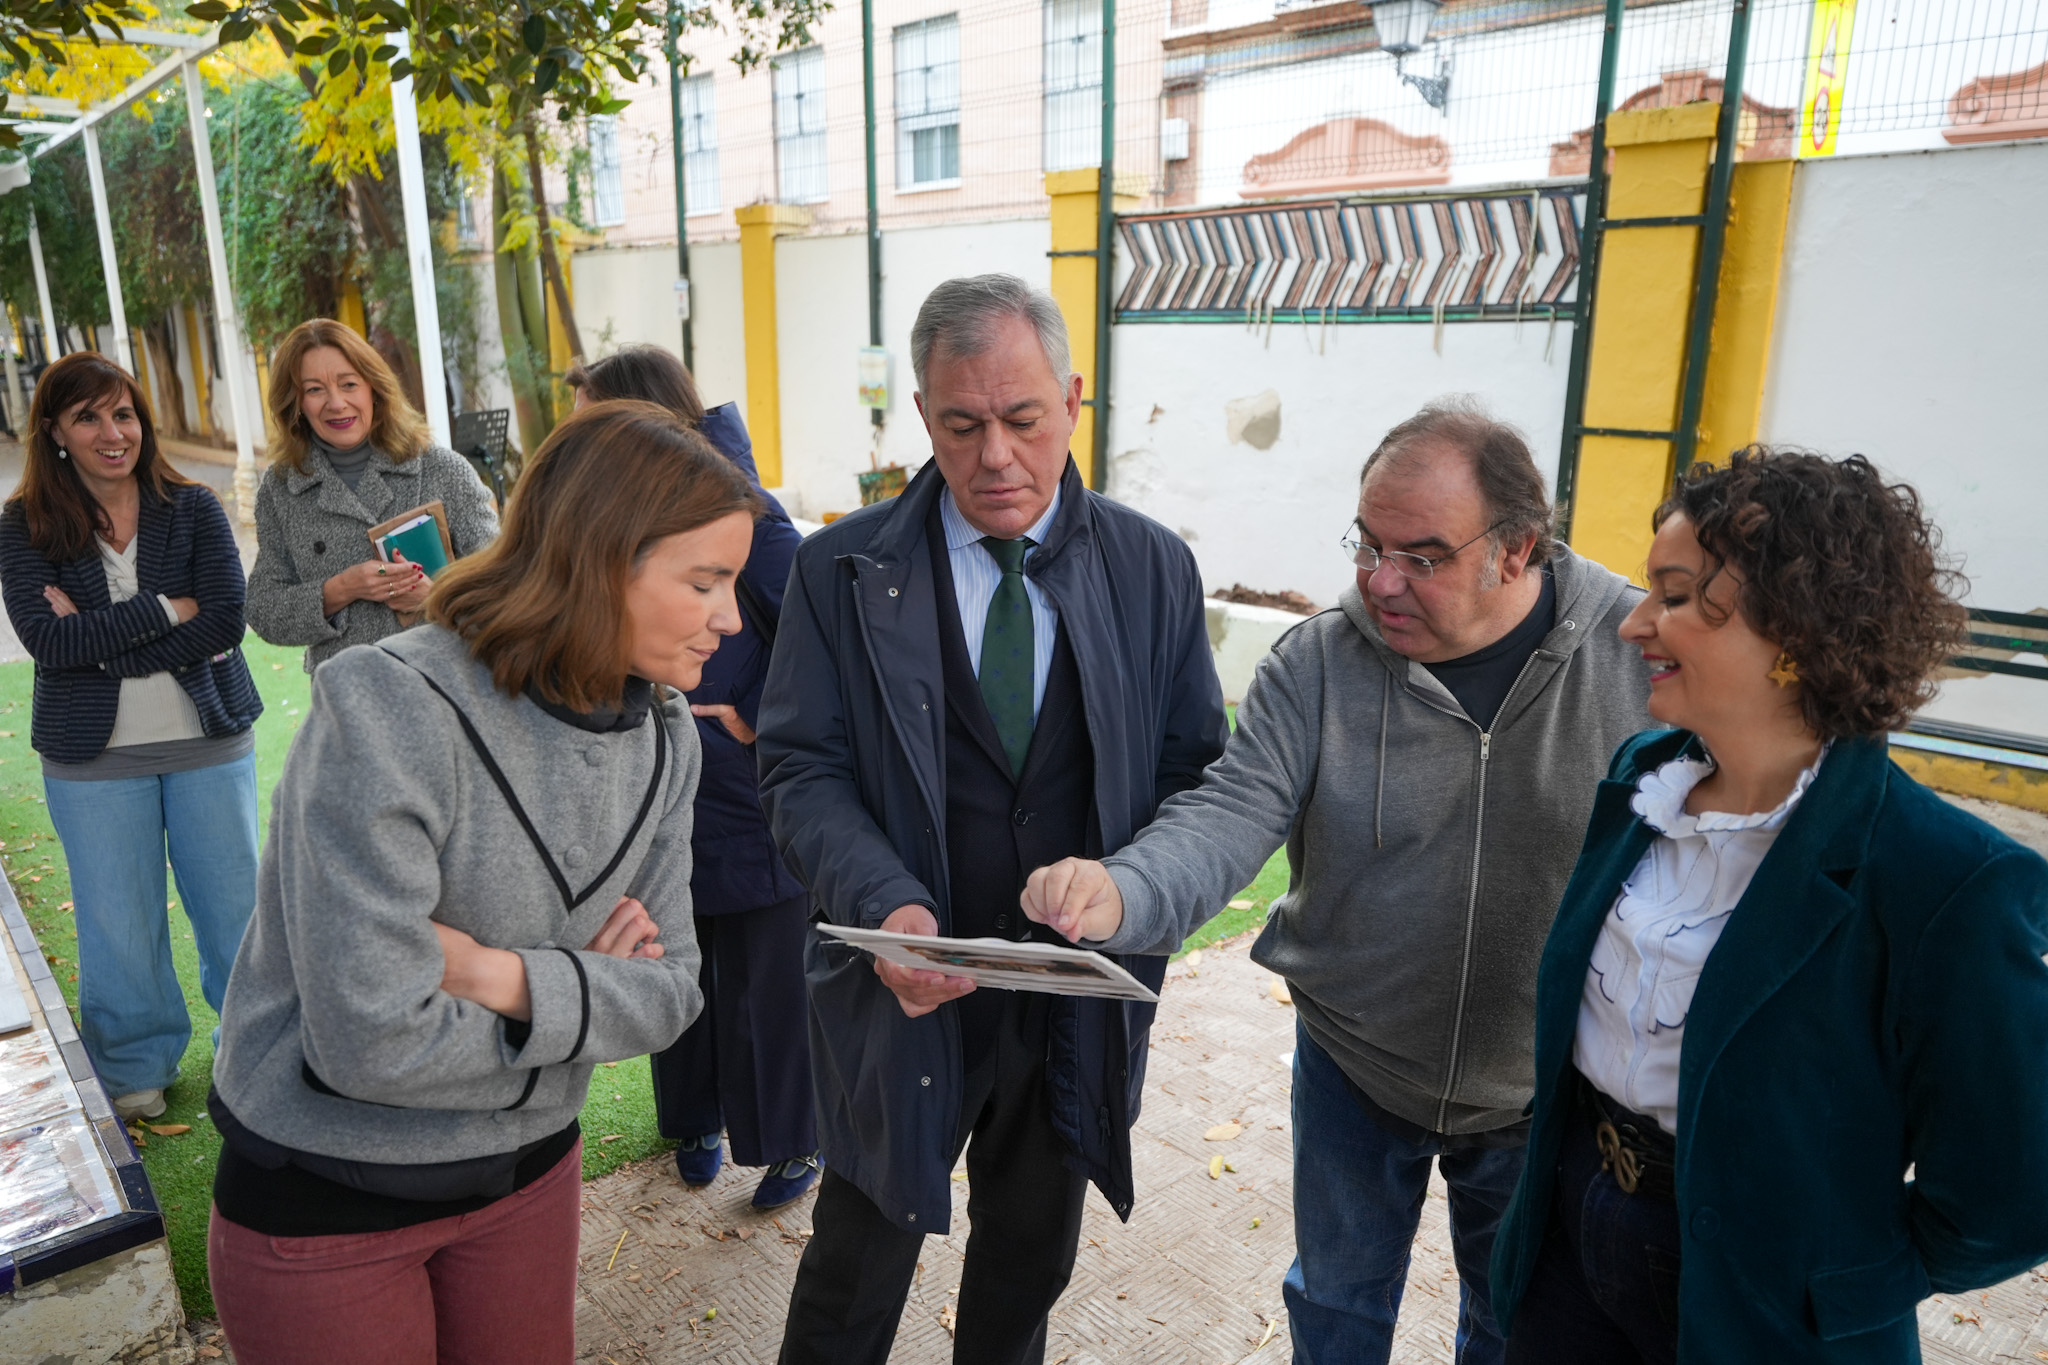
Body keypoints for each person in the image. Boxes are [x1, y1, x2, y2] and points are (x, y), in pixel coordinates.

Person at [1022, 401, 1653, 1365]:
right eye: (1369, 543)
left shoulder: (1634, 653)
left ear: (1516, 549)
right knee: (1337, 1305)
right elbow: (1231, 810)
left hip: (1541, 1084)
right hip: (1354, 1063)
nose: (1380, 580)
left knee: (1510, 1318)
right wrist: (1122, 889)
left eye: (1423, 556)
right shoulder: (1317, 660)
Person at [206, 400, 757, 1363]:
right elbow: (368, 1042)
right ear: (599, 559)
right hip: (328, 1195)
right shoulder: (387, 706)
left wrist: (492, 974)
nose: (732, 617)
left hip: (529, 1180)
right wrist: (587, 992)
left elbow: (672, 994)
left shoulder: (668, 737)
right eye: (706, 581)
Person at [1486, 448, 2048, 1364]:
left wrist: (1843, 1279)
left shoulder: (1947, 878)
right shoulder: (1644, 775)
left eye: (1674, 595)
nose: (1633, 622)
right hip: (1570, 1239)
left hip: (1765, 1303)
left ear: (1795, 626)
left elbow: (2012, 1192)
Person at [755, 274, 1227, 1365]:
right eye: (962, 425)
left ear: (1073, 401)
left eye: (1022, 419)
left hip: (1072, 1000)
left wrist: (1127, 890)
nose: (997, 456)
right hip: (899, 993)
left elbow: (1192, 776)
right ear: (923, 415)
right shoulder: (838, 570)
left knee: (1026, 1262)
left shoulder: (1152, 568)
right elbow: (800, 770)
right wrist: (886, 905)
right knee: (853, 1264)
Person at [565, 345, 820, 1208]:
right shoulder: (617, 516)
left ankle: (794, 1139)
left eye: (593, 420)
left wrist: (758, 723)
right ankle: (693, 1120)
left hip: (747, 795)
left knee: (768, 983)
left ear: (644, 419)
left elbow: (826, 643)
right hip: (658, 788)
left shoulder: (751, 516)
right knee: (672, 959)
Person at [0, 352, 262, 1124]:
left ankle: (256, 1050)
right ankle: (134, 1065)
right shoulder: (25, 525)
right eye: (88, 417)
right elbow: (50, 642)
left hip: (208, 740)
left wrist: (101, 638)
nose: (113, 433)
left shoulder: (195, 507)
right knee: (118, 921)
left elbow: (226, 619)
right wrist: (166, 609)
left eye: (124, 414)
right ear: (55, 431)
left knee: (236, 913)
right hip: (92, 757)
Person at [246, 318, 498, 671]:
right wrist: (340, 589)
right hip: (345, 691)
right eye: (315, 390)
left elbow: (505, 587)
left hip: (440, 685)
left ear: (373, 388)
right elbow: (263, 609)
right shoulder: (281, 489)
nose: (336, 403)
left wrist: (434, 598)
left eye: (349, 384)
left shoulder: (442, 470)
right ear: (296, 402)